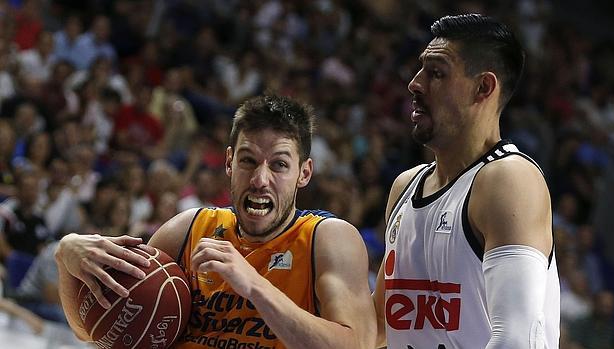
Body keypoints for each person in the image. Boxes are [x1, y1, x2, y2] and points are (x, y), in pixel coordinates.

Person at [54, 94, 377, 348]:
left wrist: (254, 286)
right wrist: (66, 257)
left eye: (279, 165)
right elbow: (97, 330)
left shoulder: (327, 239)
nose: (260, 179)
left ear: (303, 173)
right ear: (229, 162)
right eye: (248, 160)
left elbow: (357, 345)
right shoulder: (187, 229)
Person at [372, 14, 560, 349]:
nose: (414, 84)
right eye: (420, 70)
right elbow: (376, 332)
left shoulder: (508, 179)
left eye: (437, 74)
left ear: (484, 87)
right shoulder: (405, 187)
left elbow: (517, 340)